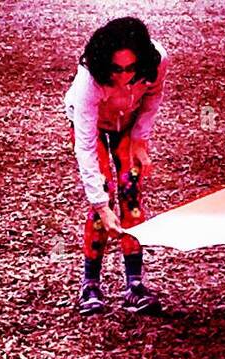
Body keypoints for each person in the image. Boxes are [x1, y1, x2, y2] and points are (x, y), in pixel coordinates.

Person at [64, 17, 169, 315]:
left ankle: (135, 285)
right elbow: (84, 147)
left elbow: (153, 95)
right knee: (106, 193)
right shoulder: (89, 81)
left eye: (131, 69)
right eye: (116, 70)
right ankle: (90, 285)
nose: (124, 78)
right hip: (93, 125)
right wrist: (100, 205)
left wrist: (140, 139)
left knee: (131, 195)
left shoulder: (157, 61)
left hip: (128, 122)